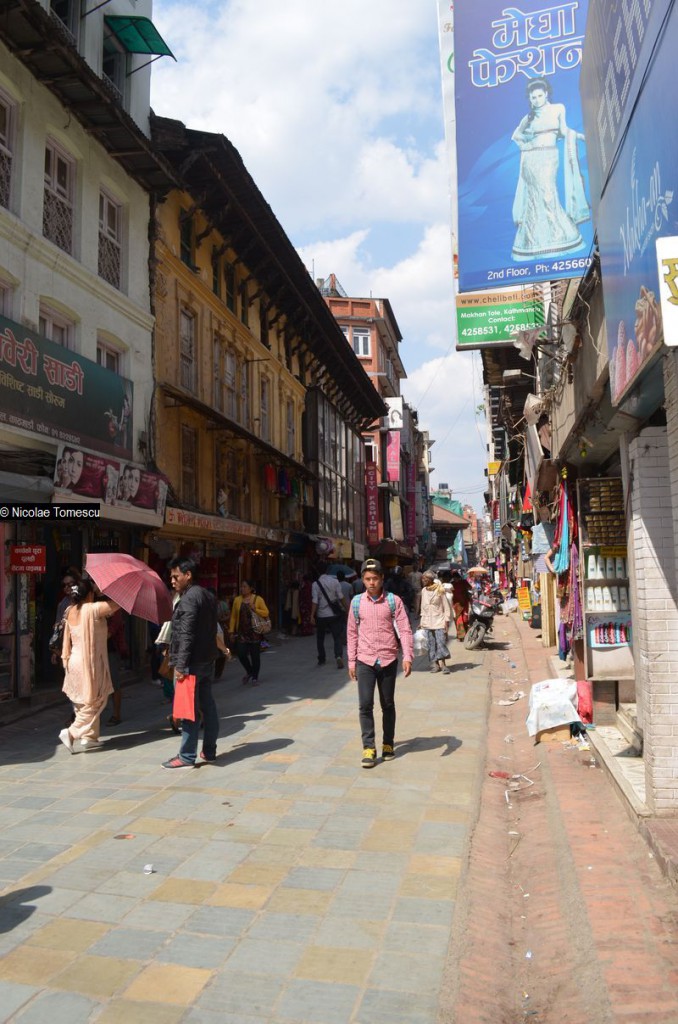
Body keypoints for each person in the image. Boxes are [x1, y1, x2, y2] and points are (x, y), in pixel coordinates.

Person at [511, 77, 588, 262]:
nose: (536, 100)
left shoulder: (558, 108)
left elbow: (563, 131)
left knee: (548, 194)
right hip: (532, 160)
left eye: (539, 95)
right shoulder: (528, 118)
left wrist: (578, 136)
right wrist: (526, 146)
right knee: (535, 198)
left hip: (549, 158)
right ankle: (532, 242)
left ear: (546, 94)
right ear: (529, 99)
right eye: (533, 97)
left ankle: (558, 236)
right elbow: (516, 136)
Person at [347, 557, 413, 768]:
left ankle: (387, 744)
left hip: (388, 659)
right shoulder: (356, 602)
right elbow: (351, 633)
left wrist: (408, 656)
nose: (371, 583)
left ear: (382, 579)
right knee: (365, 704)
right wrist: (351, 661)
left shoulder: (394, 601)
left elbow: (404, 629)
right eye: (367, 579)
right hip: (364, 660)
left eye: (375, 578)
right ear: (363, 580)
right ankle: (368, 747)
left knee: (388, 704)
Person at [162, 557, 220, 770]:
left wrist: (180, 666)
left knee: (189, 711)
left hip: (191, 664)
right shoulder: (206, 595)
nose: (172, 580)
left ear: (188, 575)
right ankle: (210, 751)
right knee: (208, 706)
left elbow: (186, 634)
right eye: (171, 576)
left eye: (176, 576)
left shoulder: (188, 599)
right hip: (206, 660)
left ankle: (186, 756)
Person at [58, 575, 119, 752]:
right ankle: (71, 732)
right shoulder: (93, 609)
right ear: (90, 594)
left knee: (81, 702)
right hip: (89, 662)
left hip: (73, 660)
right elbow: (117, 605)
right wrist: (105, 591)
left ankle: (90, 737)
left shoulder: (70, 610)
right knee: (95, 700)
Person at [229, 580, 269, 686]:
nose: (242, 589)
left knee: (255, 656)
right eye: (241, 587)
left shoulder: (258, 599)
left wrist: (255, 609)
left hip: (255, 632)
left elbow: (266, 612)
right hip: (242, 633)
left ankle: (255, 677)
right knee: (241, 654)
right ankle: (249, 671)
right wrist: (231, 631)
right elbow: (233, 616)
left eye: (245, 587)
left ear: (251, 588)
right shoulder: (237, 600)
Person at [311, 562, 347, 669]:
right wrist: (348, 609)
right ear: (327, 571)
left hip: (321, 616)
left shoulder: (315, 584)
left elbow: (315, 601)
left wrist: (312, 615)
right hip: (334, 614)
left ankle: (322, 659)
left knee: (320, 638)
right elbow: (341, 597)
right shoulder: (335, 581)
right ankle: (338, 656)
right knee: (337, 637)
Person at [420, 571, 453, 674]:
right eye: (422, 578)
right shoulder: (424, 591)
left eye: (425, 579)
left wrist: (447, 621)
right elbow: (423, 607)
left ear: (430, 579)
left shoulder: (440, 590)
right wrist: (421, 622)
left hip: (439, 620)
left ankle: (443, 665)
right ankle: (435, 665)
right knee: (431, 643)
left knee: (441, 642)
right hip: (427, 622)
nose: (423, 580)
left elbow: (446, 606)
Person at [106, 608, 128, 725]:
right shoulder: (93, 603)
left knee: (114, 683)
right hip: (97, 649)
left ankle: (116, 714)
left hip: (111, 650)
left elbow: (112, 630)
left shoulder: (115, 609)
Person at [450, 570, 473, 641]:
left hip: (464, 602)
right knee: (459, 620)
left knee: (465, 619)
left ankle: (465, 634)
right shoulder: (452, 584)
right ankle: (461, 635)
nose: (455, 579)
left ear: (458, 577)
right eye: (454, 578)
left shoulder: (463, 582)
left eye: (456, 578)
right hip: (456, 604)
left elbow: (470, 588)